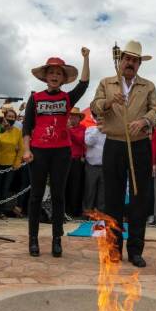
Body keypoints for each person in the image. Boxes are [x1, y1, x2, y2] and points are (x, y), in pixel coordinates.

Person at [90, 41, 156, 267]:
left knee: (140, 198)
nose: (130, 63)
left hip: (139, 145)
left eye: (135, 60)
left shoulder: (148, 86)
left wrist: (144, 121)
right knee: (112, 199)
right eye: (127, 58)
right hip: (113, 145)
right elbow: (94, 106)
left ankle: (136, 250)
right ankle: (113, 249)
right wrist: (110, 101)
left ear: (139, 64)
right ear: (120, 61)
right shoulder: (106, 83)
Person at [23, 48, 90, 257]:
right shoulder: (35, 98)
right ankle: (33, 240)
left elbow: (84, 83)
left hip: (62, 152)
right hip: (38, 151)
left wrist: (86, 58)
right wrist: (26, 149)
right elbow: (27, 126)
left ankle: (56, 240)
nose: (54, 76)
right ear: (45, 76)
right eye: (51, 72)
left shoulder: (68, 98)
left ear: (63, 79)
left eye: (58, 73)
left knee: (59, 196)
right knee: (35, 196)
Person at [0, 105, 22, 218]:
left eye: (13, 117)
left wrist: (17, 162)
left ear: (15, 119)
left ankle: (1, 211)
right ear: (5, 117)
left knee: (5, 189)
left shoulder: (18, 132)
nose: (11, 118)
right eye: (9, 116)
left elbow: (21, 149)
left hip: (10, 166)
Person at [83, 112, 106, 213]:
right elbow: (88, 142)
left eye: (103, 119)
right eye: (99, 118)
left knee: (103, 192)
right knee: (89, 190)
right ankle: (87, 213)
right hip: (91, 165)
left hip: (105, 166)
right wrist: (98, 130)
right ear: (96, 119)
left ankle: (100, 214)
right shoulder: (90, 129)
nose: (100, 120)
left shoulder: (109, 132)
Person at [65, 107, 87, 218]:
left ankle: (74, 211)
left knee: (75, 186)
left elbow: (80, 140)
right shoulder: (65, 128)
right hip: (65, 160)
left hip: (76, 161)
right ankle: (64, 210)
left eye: (75, 116)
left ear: (79, 118)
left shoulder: (83, 128)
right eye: (71, 115)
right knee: (65, 185)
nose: (72, 118)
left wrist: (69, 130)